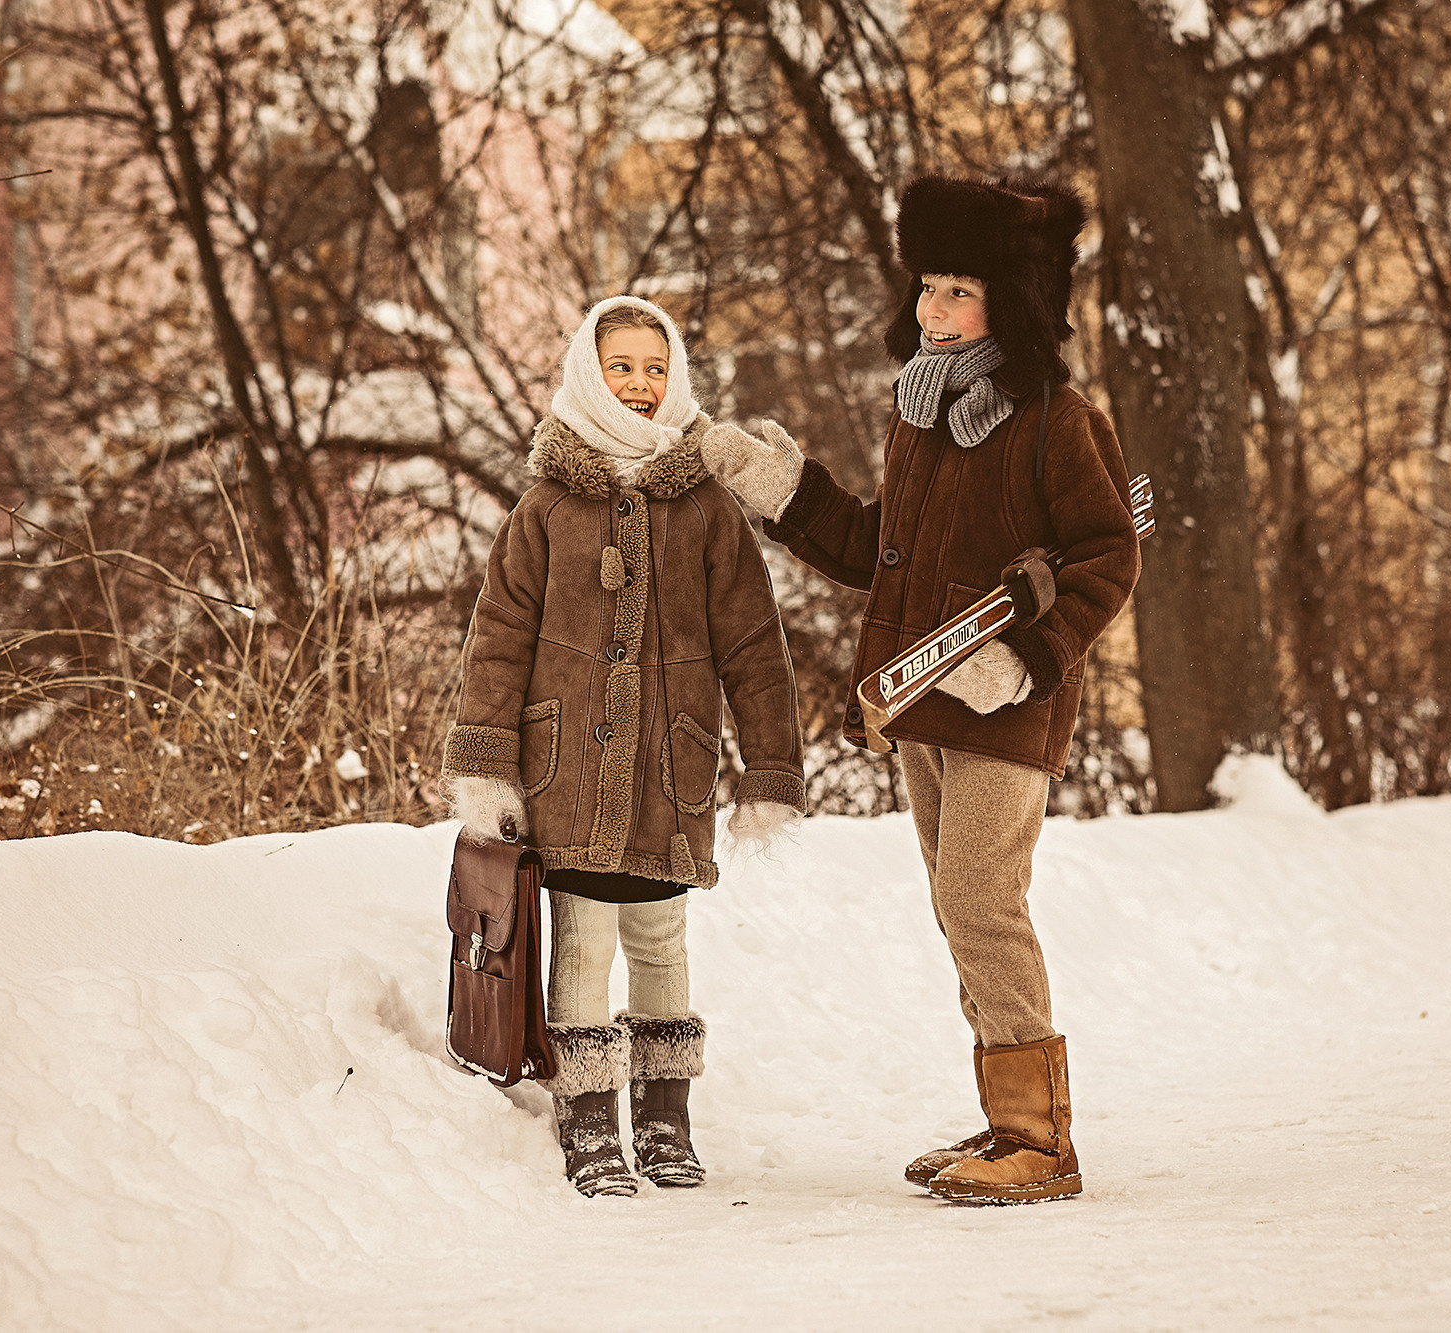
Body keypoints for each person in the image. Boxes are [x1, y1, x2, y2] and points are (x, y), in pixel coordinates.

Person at [701, 175, 1142, 1204]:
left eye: (958, 292)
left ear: (1012, 302)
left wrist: (1030, 656)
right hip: (921, 705)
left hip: (1005, 704)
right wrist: (785, 492)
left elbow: (1107, 555)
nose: (931, 312)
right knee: (959, 908)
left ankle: (1041, 1140)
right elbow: (878, 554)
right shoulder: (920, 416)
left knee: (979, 898)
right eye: (926, 288)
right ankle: (1004, 1126)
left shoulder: (1052, 418)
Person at [443, 296, 805, 1197]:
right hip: (566, 768)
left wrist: (770, 768)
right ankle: (590, 1121)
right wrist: (486, 762)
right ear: (586, 373)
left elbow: (755, 642)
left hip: (667, 767)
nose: (641, 385)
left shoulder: (706, 507)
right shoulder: (548, 505)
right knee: (584, 942)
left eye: (656, 368)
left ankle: (664, 1117)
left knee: (660, 935)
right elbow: (498, 636)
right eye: (623, 367)